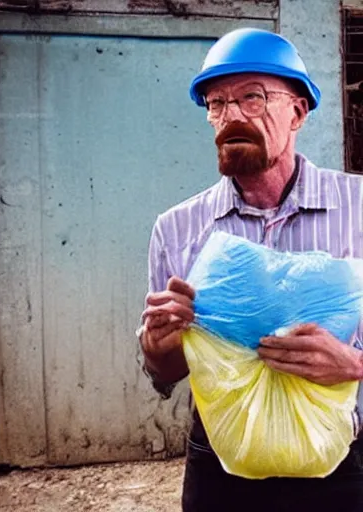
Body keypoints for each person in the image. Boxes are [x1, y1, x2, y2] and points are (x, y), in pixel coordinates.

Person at [138, 28, 363, 512]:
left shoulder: (359, 207)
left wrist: (355, 366)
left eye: (253, 98)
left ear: (298, 111)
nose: (231, 116)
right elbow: (164, 370)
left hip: (342, 461)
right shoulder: (178, 229)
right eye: (216, 104)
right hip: (222, 472)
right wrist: (158, 347)